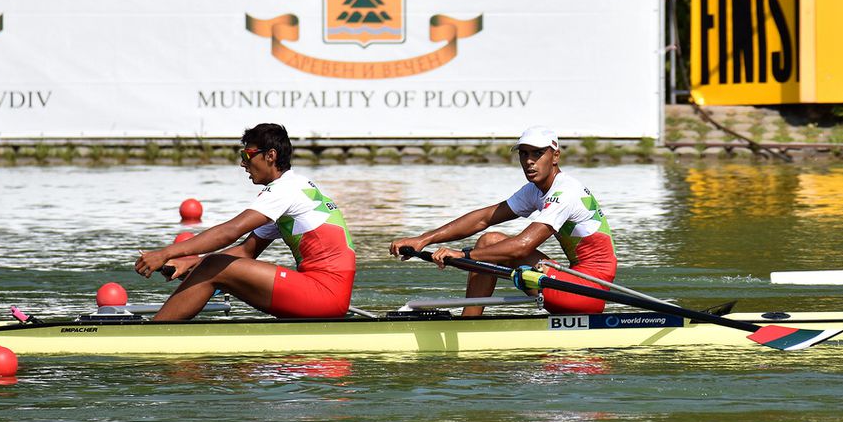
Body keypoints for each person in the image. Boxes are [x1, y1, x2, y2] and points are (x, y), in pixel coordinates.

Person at [135, 123, 356, 320]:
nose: (243, 163)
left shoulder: (285, 190)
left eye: (248, 154)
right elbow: (245, 251)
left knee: (214, 266)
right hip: (324, 293)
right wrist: (191, 263)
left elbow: (230, 231)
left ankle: (154, 333)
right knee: (213, 265)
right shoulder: (295, 188)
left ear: (270, 156)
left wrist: (166, 253)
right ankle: (161, 328)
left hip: (324, 294)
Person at [389, 126, 617, 316]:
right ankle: (469, 324)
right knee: (489, 239)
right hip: (571, 280)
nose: (529, 161)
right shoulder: (534, 191)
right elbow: (484, 218)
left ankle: (469, 327)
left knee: (490, 244)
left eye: (537, 154)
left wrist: (463, 256)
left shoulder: (566, 192)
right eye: (523, 154)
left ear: (555, 156)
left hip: (588, 293)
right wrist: (424, 239)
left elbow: (522, 246)